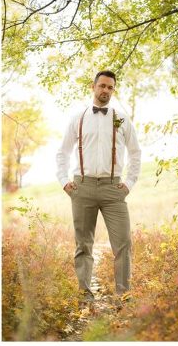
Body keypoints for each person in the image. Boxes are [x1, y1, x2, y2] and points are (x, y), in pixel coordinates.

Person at [55, 70, 141, 302]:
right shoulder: (79, 118)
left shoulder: (121, 119)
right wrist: (64, 182)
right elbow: (62, 152)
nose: (105, 90)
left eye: (110, 87)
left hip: (114, 189)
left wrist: (129, 183)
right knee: (83, 244)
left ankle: (123, 294)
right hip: (82, 187)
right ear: (93, 87)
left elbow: (135, 153)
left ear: (113, 91)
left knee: (123, 243)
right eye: (102, 86)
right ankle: (85, 294)